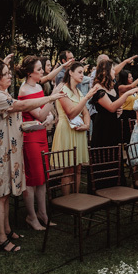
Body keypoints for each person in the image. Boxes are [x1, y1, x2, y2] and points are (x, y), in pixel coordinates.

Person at [0, 59, 65, 252]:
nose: (10, 75)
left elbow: (15, 122)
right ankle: (0, 238)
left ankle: (8, 230)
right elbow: (23, 106)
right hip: (0, 152)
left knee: (7, 194)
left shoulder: (3, 93)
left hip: (11, 150)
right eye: (5, 73)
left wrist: (33, 126)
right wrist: (51, 97)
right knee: (0, 195)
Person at [16, 56, 59, 231]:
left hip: (41, 134)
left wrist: (48, 116)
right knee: (32, 179)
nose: (42, 72)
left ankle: (43, 213)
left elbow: (44, 114)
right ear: (29, 72)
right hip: (30, 138)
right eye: (39, 69)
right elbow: (40, 115)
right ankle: (31, 216)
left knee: (42, 178)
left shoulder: (39, 86)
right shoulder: (24, 90)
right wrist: (52, 98)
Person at [51, 62, 102, 195]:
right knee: (68, 169)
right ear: (70, 73)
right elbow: (71, 112)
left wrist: (86, 125)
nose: (82, 75)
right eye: (79, 72)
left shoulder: (78, 91)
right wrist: (86, 97)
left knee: (78, 168)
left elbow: (85, 112)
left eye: (83, 72)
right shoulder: (62, 90)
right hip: (67, 130)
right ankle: (67, 200)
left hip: (79, 131)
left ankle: (76, 196)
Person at [90, 58, 138, 148]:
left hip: (114, 124)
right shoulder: (98, 88)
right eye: (112, 69)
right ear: (106, 72)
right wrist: (128, 93)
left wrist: (119, 109)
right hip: (103, 126)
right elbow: (111, 107)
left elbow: (115, 105)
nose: (115, 71)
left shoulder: (112, 86)